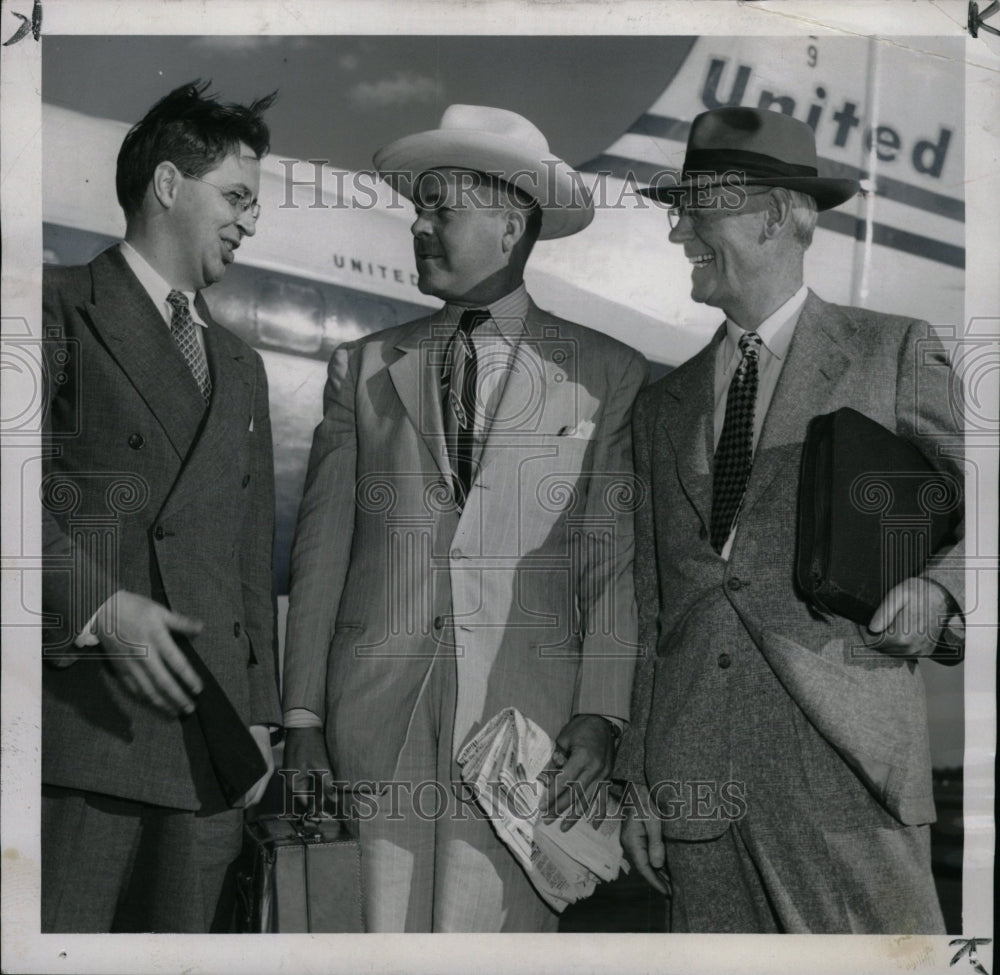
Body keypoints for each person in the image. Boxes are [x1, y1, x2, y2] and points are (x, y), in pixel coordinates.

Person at [281, 104, 647, 932]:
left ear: (511, 224)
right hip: (375, 730)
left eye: (440, 209)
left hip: (527, 748)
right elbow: (321, 556)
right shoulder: (366, 367)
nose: (417, 226)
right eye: (418, 208)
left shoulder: (606, 374)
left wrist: (600, 712)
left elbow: (611, 561)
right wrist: (302, 718)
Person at [615, 106, 964, 934]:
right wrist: (638, 775)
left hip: (844, 771)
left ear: (774, 214)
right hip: (694, 785)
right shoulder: (661, 407)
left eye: (699, 204)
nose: (679, 231)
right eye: (678, 206)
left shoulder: (892, 352)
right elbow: (651, 605)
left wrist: (943, 594)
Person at [41, 81, 281, 933]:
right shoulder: (53, 307)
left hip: (210, 756)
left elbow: (250, 561)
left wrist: (259, 718)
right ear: (170, 185)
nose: (251, 222)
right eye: (238, 198)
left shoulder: (241, 366)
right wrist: (102, 607)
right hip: (82, 737)